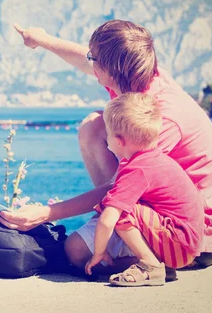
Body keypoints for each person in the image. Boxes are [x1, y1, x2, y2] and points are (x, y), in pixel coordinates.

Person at [0, 20, 212, 271]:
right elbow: (83, 60)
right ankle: (113, 221)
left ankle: (150, 261)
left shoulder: (158, 119)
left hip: (189, 232)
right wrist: (41, 38)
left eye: (95, 59)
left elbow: (123, 184)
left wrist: (45, 213)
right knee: (94, 126)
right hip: (160, 209)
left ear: (113, 68)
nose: (90, 63)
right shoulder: (136, 79)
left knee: (77, 253)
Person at [84, 92, 204, 286]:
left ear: (120, 141)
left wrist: (99, 252)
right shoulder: (155, 159)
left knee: (117, 209)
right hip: (189, 244)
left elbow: (107, 221)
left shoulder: (136, 170)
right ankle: (157, 264)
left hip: (179, 245)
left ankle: (150, 265)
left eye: (107, 133)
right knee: (124, 204)